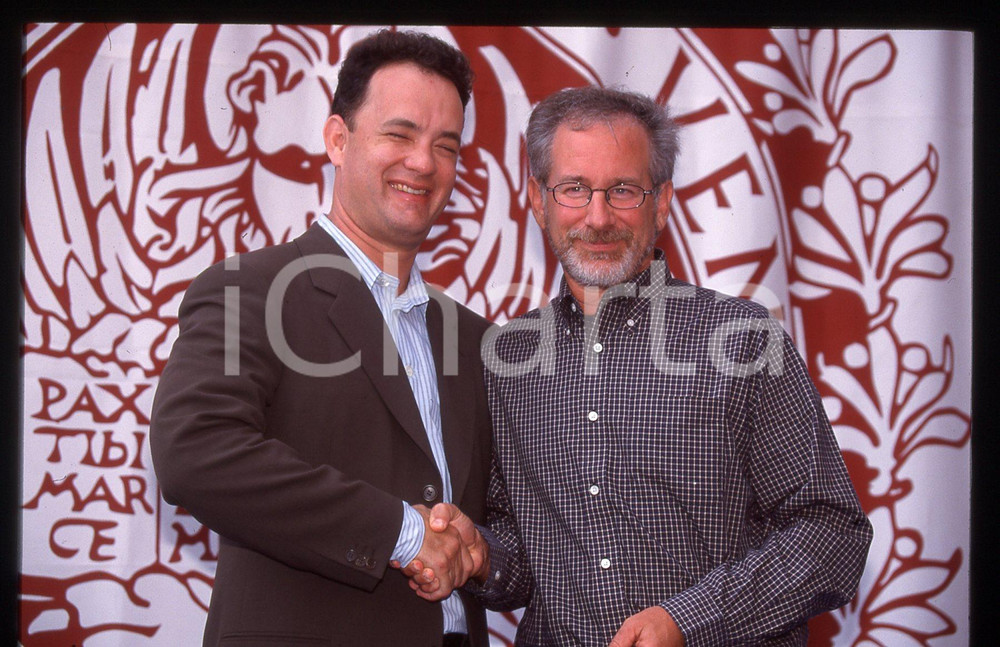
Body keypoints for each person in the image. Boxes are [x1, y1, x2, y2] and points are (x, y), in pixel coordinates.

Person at [405, 86, 873, 646]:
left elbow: (833, 535)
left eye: (623, 190)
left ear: (664, 199)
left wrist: (689, 621)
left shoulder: (744, 340)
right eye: (574, 189)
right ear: (537, 198)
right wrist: (480, 556)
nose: (598, 217)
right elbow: (530, 565)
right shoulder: (508, 359)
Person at [150, 29, 493, 647]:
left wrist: (475, 550)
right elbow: (195, 450)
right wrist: (404, 533)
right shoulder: (248, 289)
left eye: (446, 145)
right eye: (400, 133)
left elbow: (492, 521)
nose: (423, 162)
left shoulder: (472, 337)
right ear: (338, 139)